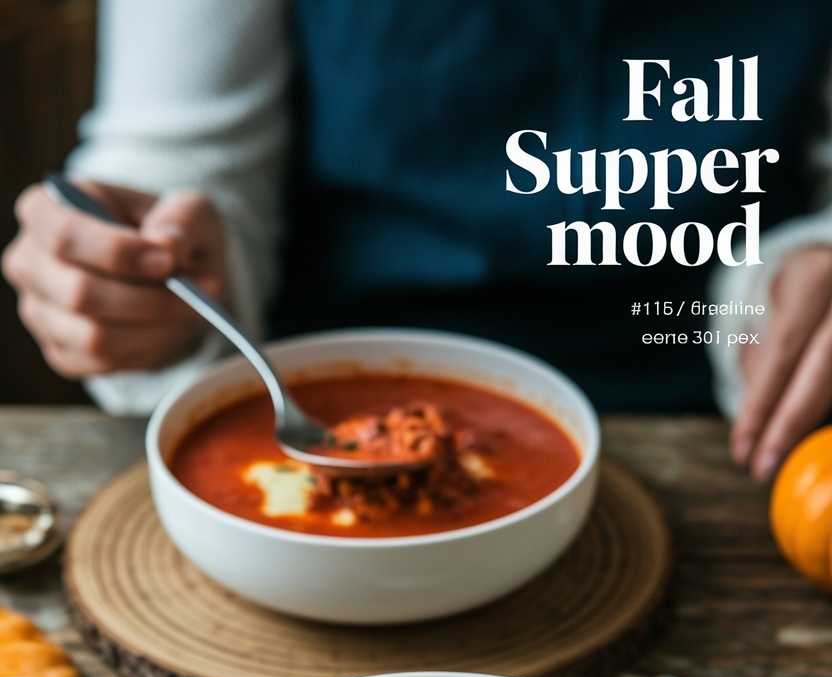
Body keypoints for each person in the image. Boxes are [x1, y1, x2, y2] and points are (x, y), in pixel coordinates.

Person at [3, 0, 832, 482]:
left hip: (716, 430)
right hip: (301, 387)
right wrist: (149, 254)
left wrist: (802, 265)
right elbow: (181, 151)